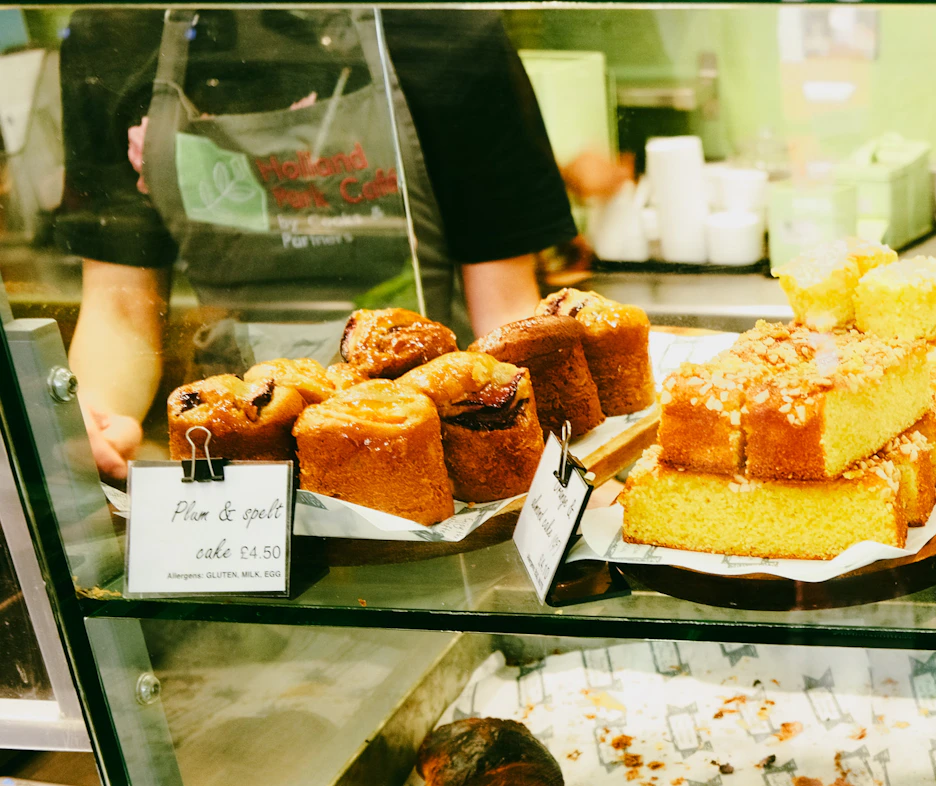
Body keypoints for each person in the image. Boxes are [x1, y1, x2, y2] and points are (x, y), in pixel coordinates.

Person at [57, 8, 578, 478]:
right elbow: (120, 310)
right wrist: (96, 421)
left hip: (436, 449)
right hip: (228, 466)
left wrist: (559, 470)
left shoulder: (444, 26)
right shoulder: (117, 30)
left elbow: (505, 317)